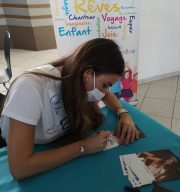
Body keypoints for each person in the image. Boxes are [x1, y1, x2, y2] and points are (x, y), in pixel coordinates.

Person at [0, 38, 139, 180]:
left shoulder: (75, 77)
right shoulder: (30, 88)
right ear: (89, 72)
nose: (104, 92)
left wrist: (123, 114)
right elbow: (20, 168)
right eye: (105, 85)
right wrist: (83, 147)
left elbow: (106, 96)